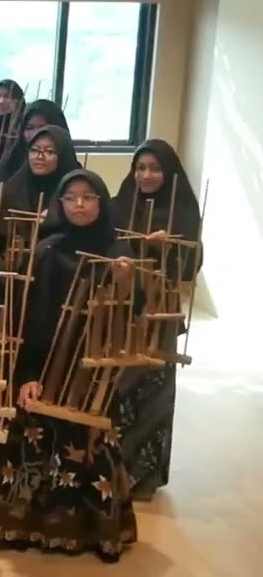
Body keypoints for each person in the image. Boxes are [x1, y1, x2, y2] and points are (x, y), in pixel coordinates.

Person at [0, 169, 138, 562]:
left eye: (88, 196)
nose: (79, 204)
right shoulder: (45, 251)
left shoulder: (120, 252)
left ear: (102, 202)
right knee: (33, 438)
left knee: (91, 443)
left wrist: (126, 283)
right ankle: (19, 524)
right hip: (45, 364)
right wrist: (27, 374)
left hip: (93, 372)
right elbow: (25, 320)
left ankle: (93, 530)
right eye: (71, 197)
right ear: (60, 204)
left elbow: (135, 315)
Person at [110, 139, 202, 498]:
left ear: (169, 172)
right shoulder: (121, 204)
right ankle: (110, 470)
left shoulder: (183, 210)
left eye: (155, 169)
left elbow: (191, 266)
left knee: (154, 392)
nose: (146, 175)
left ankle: (144, 477)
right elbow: (106, 245)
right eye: (140, 167)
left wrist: (170, 247)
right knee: (117, 389)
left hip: (160, 312)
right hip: (119, 309)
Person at [0, 125, 80, 259]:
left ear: (63, 155)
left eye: (50, 152)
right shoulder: (12, 190)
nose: (40, 157)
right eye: (34, 150)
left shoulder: (76, 192)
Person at [0, 99, 69, 194]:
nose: (35, 133)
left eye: (43, 127)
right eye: (29, 128)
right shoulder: (6, 168)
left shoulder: (74, 176)